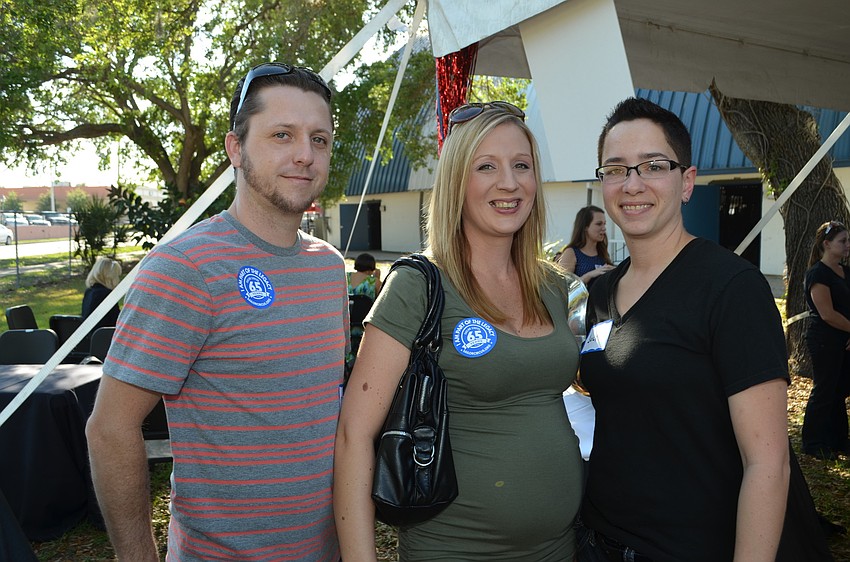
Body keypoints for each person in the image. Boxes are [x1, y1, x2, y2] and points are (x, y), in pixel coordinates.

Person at [86, 62, 348, 561]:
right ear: (236, 148)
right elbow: (109, 428)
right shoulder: (185, 267)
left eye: (320, 139)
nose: (304, 155)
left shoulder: (328, 268)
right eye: (282, 135)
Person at [334, 101, 584, 560]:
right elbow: (353, 434)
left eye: (521, 165)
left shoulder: (553, 287)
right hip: (454, 549)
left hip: (558, 549)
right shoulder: (419, 285)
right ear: (456, 182)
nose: (509, 182)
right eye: (485, 166)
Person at [579, 97, 790, 561]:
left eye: (653, 165)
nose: (632, 184)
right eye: (615, 169)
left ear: (687, 181)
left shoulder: (732, 290)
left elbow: (768, 463)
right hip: (598, 542)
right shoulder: (602, 293)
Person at [802, 220, 850, 460]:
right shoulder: (818, 274)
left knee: (840, 390)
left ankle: (839, 441)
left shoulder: (846, 271)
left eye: (848, 240)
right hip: (824, 340)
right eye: (843, 241)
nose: (847, 245)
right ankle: (812, 442)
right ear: (827, 244)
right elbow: (827, 314)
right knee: (825, 389)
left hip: (844, 340)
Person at [557, 205, 615, 286]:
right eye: (599, 224)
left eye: (604, 224)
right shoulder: (571, 252)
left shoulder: (602, 253)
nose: (604, 228)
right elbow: (562, 288)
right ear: (585, 227)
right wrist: (589, 276)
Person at [81, 256, 122, 328]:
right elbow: (118, 322)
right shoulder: (107, 295)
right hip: (103, 336)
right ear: (111, 277)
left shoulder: (89, 292)